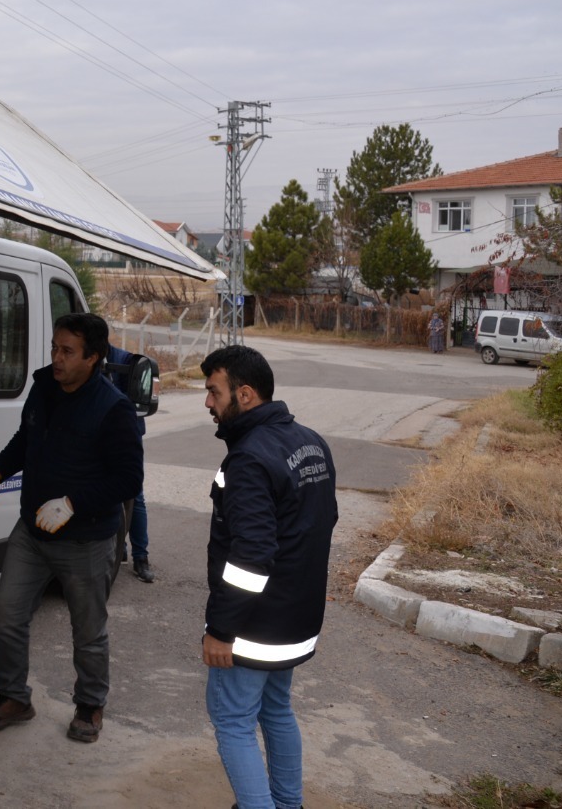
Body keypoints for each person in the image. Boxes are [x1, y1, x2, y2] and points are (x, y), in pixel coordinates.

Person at [0, 312, 144, 742]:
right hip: (31, 533)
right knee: (7, 615)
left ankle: (89, 705)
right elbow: (26, 438)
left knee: (87, 632)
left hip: (86, 540)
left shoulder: (113, 409)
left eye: (67, 351)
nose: (57, 358)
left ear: (94, 357)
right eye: (54, 348)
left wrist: (73, 503)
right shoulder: (44, 386)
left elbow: (129, 480)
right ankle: (14, 697)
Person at [200, 345, 338, 809]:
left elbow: (252, 557)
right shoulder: (311, 441)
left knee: (233, 720)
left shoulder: (249, 459)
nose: (208, 403)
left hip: (253, 629)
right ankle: (287, 802)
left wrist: (221, 630)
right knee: (276, 710)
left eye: (213, 392)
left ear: (245, 393)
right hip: (296, 620)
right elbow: (323, 523)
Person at [105, 343, 156, 583]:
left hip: (126, 436)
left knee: (135, 496)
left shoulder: (128, 362)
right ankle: (118, 549)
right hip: (95, 436)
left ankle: (141, 557)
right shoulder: (83, 359)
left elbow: (137, 401)